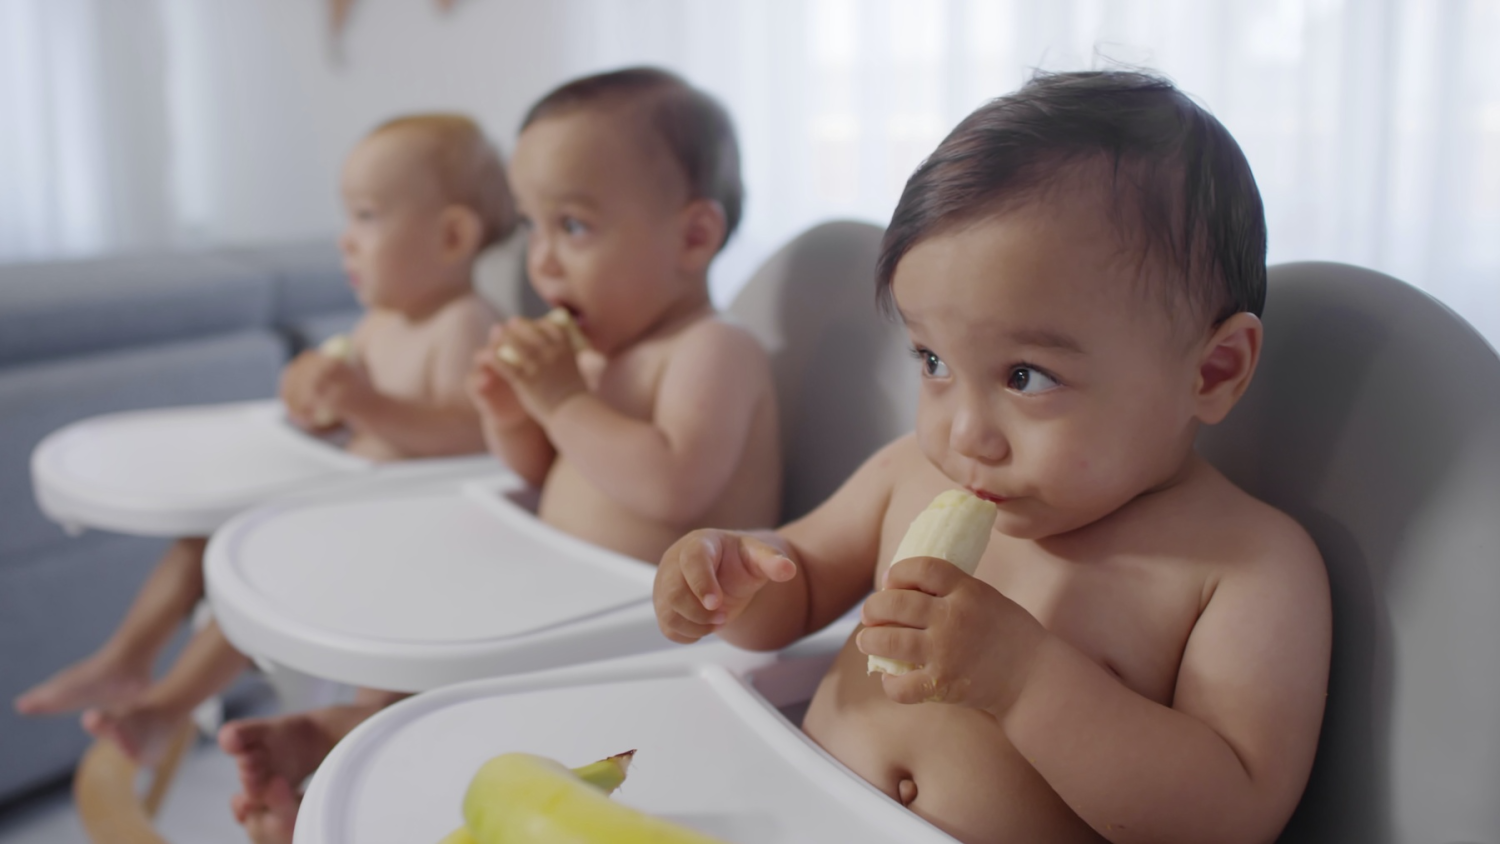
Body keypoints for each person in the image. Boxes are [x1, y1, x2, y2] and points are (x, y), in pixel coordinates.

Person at [654, 71, 1331, 844]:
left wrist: (1026, 680)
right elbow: (796, 582)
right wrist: (733, 578)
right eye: (933, 362)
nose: (964, 433)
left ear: (1212, 372)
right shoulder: (909, 472)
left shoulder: (1241, 568)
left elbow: (1231, 817)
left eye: (1025, 377)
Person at [222, 67, 783, 843]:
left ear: (693, 237)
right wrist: (510, 414)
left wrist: (559, 401)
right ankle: (348, 735)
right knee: (424, 607)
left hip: (644, 639)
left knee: (485, 761)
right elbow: (542, 472)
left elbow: (673, 485)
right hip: (558, 607)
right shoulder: (591, 356)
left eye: (575, 227)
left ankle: (358, 792)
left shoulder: (711, 349)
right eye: (532, 227)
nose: (542, 262)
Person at [14, 113, 512, 767]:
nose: (345, 241)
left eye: (365, 216)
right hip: (345, 502)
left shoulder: (464, 324)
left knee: (257, 572)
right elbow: (340, 420)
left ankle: (167, 707)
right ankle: (127, 658)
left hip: (407, 531)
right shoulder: (378, 322)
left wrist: (366, 401)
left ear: (451, 236)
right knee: (209, 534)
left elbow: (474, 436)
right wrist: (314, 398)